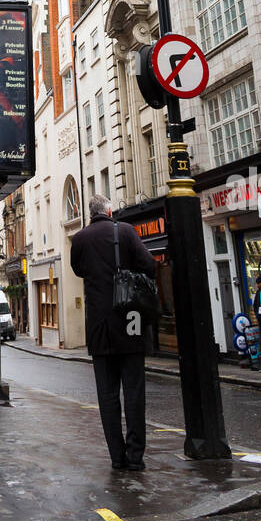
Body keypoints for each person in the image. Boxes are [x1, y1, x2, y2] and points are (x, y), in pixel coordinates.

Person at [70, 195, 158, 471]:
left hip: (99, 328)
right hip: (129, 323)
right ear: (110, 211)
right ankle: (135, 457)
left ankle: (117, 458)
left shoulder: (80, 239)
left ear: (91, 213)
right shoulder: (127, 232)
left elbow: (78, 270)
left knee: (107, 398)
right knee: (133, 393)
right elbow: (150, 267)